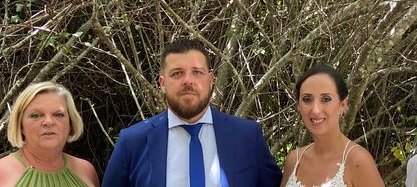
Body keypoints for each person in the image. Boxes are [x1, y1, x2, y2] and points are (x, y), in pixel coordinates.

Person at [102, 37, 282, 187]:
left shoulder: (247, 137)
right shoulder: (132, 142)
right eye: (177, 73)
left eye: (196, 72)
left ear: (211, 79)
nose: (188, 80)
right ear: (162, 83)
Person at [0, 81, 99, 187]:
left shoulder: (86, 171)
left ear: (71, 122)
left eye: (58, 114)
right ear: (20, 125)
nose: (48, 122)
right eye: (35, 115)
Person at [280, 65, 385, 187]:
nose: (316, 110)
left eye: (326, 99)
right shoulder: (294, 161)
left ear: (343, 105)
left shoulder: (358, 161)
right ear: (298, 105)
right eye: (307, 99)